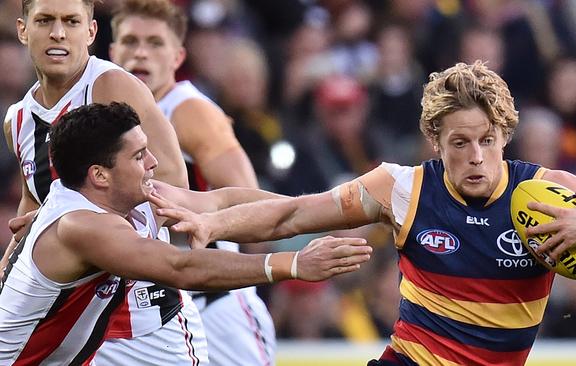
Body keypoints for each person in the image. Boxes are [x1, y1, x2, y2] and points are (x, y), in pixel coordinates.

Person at [154, 61, 576, 366]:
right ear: (435, 142)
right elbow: (291, 215)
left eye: (487, 141)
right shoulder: (403, 189)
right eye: (460, 142)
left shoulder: (553, 194)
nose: (476, 156)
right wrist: (213, 218)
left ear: (505, 136)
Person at [0, 102, 372, 364]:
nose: (154, 162)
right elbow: (182, 268)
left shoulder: (129, 196)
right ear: (100, 175)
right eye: (139, 155)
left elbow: (225, 203)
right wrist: (292, 264)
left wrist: (340, 208)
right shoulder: (81, 225)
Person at [107, 0, 274, 364]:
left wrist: (192, 220)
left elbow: (251, 204)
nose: (140, 53)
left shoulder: (188, 110)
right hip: (146, 301)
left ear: (178, 56)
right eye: (130, 41)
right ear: (111, 51)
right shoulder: (101, 117)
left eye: (154, 43)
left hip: (212, 301)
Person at [1, 0, 186, 280]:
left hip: (137, 300)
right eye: (44, 20)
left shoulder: (112, 86)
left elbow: (174, 186)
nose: (58, 33)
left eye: (71, 21)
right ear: (23, 30)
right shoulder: (17, 119)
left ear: (91, 32)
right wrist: (7, 269)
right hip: (68, 307)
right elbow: (34, 202)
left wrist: (86, 234)